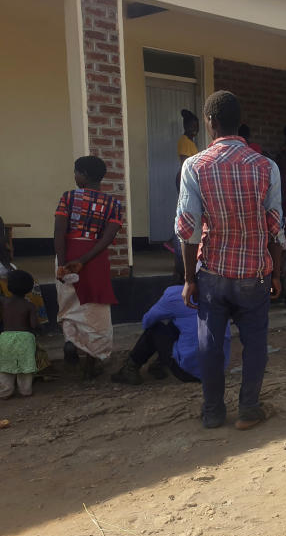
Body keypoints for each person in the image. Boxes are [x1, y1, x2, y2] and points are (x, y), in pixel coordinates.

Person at [176, 90, 283, 431]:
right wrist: (276, 273)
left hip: (212, 272)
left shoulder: (194, 166)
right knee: (255, 344)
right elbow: (276, 227)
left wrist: (189, 278)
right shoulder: (267, 166)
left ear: (211, 123)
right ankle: (249, 409)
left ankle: (212, 412)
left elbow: (188, 229)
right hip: (254, 273)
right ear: (239, 123)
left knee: (211, 344)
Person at [54, 155, 123, 379]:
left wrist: (64, 263)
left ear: (83, 174)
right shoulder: (114, 204)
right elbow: (108, 238)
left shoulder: (67, 198)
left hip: (67, 255)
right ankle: (90, 365)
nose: (74, 176)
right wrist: (84, 260)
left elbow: (59, 233)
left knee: (70, 306)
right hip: (94, 261)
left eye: (76, 172)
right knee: (95, 312)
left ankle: (71, 344)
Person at [112, 265, 231, 385]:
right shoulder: (219, 293)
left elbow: (147, 320)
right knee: (180, 326)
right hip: (216, 370)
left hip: (188, 372)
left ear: (181, 276)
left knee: (155, 329)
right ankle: (158, 366)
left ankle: (130, 368)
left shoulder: (176, 294)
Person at [0, 269, 40, 399]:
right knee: (25, 366)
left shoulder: (4, 302)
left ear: (9, 286)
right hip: (25, 338)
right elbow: (34, 325)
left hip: (6, 337)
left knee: (6, 365)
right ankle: (25, 391)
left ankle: (5, 391)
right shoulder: (29, 305)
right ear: (29, 289)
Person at [177, 109, 200, 188]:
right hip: (187, 178)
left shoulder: (190, 142)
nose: (195, 129)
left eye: (197, 126)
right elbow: (185, 164)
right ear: (185, 126)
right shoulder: (184, 141)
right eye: (192, 126)